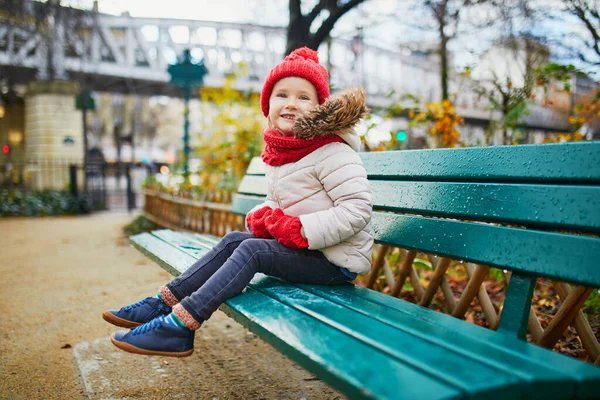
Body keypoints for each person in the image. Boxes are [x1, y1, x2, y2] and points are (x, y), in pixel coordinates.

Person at [103, 47, 374, 357]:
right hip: (311, 252)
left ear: (319, 107)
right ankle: (162, 302)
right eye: (281, 95)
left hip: (336, 263)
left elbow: (357, 210)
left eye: (303, 97)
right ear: (268, 105)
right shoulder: (284, 152)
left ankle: (179, 327)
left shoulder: (332, 151)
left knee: (253, 250)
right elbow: (277, 201)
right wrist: (264, 216)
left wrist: (297, 229)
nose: (290, 104)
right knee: (236, 239)